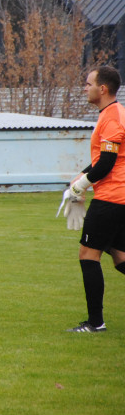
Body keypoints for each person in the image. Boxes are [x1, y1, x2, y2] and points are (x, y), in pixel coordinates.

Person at [65, 66, 125, 333]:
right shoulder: (115, 113)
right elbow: (102, 161)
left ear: (102, 89)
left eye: (88, 83)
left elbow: (108, 164)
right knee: (121, 257)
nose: (85, 88)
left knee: (88, 254)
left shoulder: (111, 119)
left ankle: (95, 322)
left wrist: (81, 185)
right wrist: (82, 175)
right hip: (120, 197)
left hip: (111, 198)